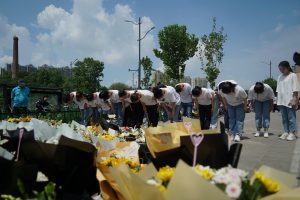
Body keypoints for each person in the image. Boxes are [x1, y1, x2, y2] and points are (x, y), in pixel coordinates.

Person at [276, 61, 300, 141]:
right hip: (281, 100)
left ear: (287, 67)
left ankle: (292, 133)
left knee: (291, 117)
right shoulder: (279, 77)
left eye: (282, 69)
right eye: (280, 69)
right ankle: (286, 131)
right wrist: (277, 101)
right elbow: (278, 90)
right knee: (284, 118)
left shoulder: (293, 75)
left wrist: (294, 99)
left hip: (290, 99)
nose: (281, 71)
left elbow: (296, 89)